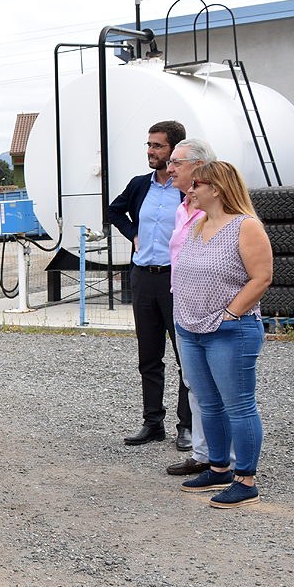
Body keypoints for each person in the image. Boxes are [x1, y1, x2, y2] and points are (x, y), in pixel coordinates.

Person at [172, 161, 272, 507]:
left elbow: (262, 277)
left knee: (239, 406)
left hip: (230, 331)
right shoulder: (199, 224)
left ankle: (246, 480)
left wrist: (231, 314)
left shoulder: (246, 226)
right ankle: (218, 469)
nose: (190, 189)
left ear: (216, 188)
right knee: (209, 404)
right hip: (192, 329)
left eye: (196, 184)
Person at [107, 121, 192, 449]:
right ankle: (152, 422)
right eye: (149, 145)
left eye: (158, 146)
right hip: (143, 277)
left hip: (177, 279)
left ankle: (187, 426)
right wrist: (133, 235)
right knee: (149, 356)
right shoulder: (140, 185)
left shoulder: (189, 188)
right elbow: (114, 211)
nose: (151, 151)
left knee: (186, 356)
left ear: (174, 149)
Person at [162, 139, 226, 476]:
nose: (170, 168)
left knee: (219, 387)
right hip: (183, 304)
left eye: (177, 162)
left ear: (200, 167)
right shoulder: (182, 207)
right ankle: (204, 455)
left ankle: (225, 461)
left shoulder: (219, 209)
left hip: (212, 307)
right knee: (195, 383)